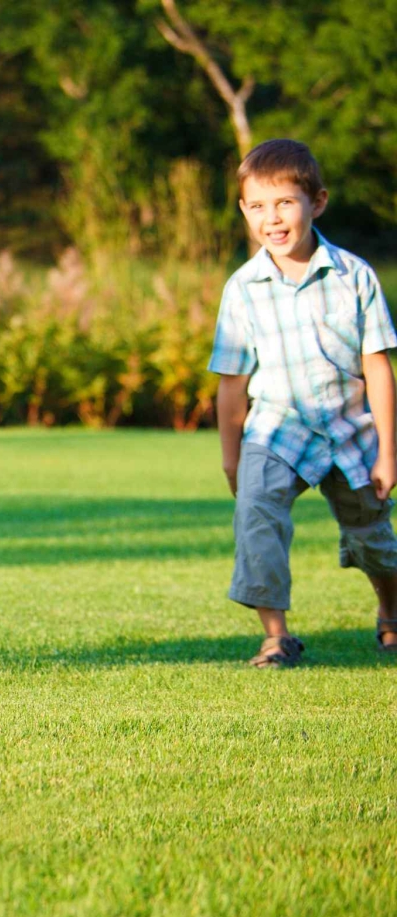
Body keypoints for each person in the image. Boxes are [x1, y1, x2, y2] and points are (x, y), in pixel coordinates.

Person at [210, 138, 397, 667]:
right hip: (276, 429)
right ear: (244, 210)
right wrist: (232, 457)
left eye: (285, 203)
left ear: (317, 202)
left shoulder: (354, 276)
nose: (272, 218)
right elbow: (231, 382)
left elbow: (378, 368)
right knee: (256, 515)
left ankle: (391, 611)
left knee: (372, 538)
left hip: (349, 428)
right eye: (258, 206)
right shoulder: (242, 288)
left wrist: (388, 451)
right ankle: (277, 637)